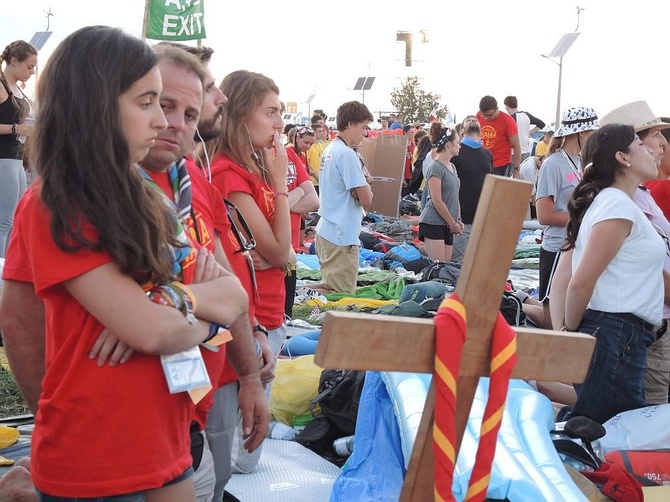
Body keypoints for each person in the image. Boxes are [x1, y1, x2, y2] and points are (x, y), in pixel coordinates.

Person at [0, 25, 248, 500]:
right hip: (93, 454)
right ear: (95, 104)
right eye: (147, 102)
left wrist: (165, 302)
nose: (162, 122)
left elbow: (232, 299)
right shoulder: (58, 203)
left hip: (166, 442)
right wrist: (176, 314)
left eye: (178, 109)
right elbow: (156, 332)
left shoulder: (152, 202)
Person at [205, 70, 293, 485]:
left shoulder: (249, 168)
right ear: (241, 115)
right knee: (238, 455)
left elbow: (284, 253)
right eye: (270, 112)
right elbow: (279, 251)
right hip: (249, 317)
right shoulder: (228, 173)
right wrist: (279, 183)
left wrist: (280, 255)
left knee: (240, 446)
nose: (279, 123)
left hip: (265, 313)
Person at [562, 123, 664, 424]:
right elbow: (580, 282)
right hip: (615, 332)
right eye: (640, 143)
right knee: (610, 431)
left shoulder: (617, 202)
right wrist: (571, 333)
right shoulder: (617, 205)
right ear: (623, 157)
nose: (651, 149)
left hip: (618, 334)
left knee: (609, 428)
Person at [600, 101, 670, 405]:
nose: (663, 143)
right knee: (645, 419)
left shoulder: (640, 195)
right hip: (645, 325)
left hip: (654, 322)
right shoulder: (622, 202)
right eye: (653, 136)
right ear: (626, 153)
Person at [527, 107, 599, 329]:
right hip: (556, 247)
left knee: (569, 319)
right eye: (592, 133)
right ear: (580, 133)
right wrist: (581, 219)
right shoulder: (553, 164)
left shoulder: (581, 163)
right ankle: (517, 302)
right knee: (553, 323)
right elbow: (544, 215)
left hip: (577, 247)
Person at [315, 100, 373, 293]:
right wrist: (365, 185)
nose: (364, 133)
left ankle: (294, 297)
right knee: (340, 298)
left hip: (328, 229)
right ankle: (292, 300)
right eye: (363, 127)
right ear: (350, 124)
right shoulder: (347, 155)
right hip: (341, 235)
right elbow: (366, 199)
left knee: (329, 287)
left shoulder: (331, 149)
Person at [0, 40, 37, 257]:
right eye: (29, 66)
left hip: (16, 159)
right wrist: (16, 128)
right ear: (14, 62)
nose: (32, 72)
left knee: (16, 219)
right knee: (4, 221)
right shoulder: (2, 86)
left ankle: (7, 270)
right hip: (3, 158)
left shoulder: (16, 89)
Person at [419, 122, 463, 262]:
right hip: (434, 222)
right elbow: (437, 200)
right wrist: (452, 223)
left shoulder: (452, 167)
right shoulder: (435, 168)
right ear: (449, 145)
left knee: (446, 266)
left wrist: (458, 219)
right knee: (439, 267)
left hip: (447, 223)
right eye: (457, 142)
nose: (460, 145)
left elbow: (455, 196)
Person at [452, 115, 493, 263]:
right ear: (462, 131)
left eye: (474, 119)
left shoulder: (487, 154)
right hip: (461, 221)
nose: (472, 120)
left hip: (482, 219)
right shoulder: (456, 153)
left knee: (479, 263)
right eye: (468, 120)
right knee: (458, 265)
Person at [477, 95, 521, 178]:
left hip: (501, 165)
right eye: (484, 115)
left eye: (490, 115)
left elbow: (517, 146)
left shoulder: (508, 121)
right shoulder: (478, 116)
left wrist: (516, 169)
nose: (486, 118)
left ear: (496, 109)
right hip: (482, 163)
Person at [503, 95, 546, 161]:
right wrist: (530, 132)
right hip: (526, 150)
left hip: (514, 152)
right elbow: (541, 124)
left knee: (514, 171)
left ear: (507, 107)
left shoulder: (510, 119)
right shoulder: (526, 115)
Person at [518, 155, 544, 219]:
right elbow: (532, 192)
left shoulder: (533, 162)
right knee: (526, 221)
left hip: (523, 194)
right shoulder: (529, 168)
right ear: (540, 161)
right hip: (519, 196)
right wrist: (539, 211)